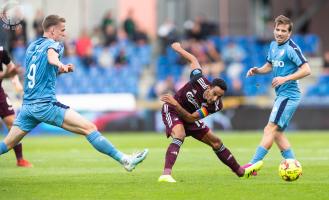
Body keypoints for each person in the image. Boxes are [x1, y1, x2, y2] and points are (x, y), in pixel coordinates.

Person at [0, 15, 148, 171]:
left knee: (7, 144)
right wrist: (60, 64)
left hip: (28, 106)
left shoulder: (32, 46)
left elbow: (42, 73)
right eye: (62, 30)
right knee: (89, 128)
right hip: (45, 106)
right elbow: (51, 56)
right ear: (52, 30)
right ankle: (125, 160)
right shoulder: (54, 45)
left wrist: (61, 70)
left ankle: (125, 159)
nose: (64, 34)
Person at [158, 42, 263, 183]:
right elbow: (194, 60)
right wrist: (179, 49)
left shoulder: (216, 105)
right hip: (172, 110)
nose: (215, 98)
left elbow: (190, 118)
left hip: (186, 114)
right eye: (214, 93)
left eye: (219, 96)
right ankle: (166, 174)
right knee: (180, 134)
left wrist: (177, 104)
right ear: (209, 86)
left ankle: (241, 171)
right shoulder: (199, 80)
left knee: (216, 142)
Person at [243, 15, 311, 173]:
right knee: (278, 133)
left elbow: (307, 70)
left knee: (270, 129)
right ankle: (293, 166)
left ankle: (253, 164)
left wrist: (284, 78)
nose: (279, 33)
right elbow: (269, 66)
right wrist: (257, 71)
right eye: (277, 29)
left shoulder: (291, 48)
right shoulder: (273, 45)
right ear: (274, 30)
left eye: (283, 31)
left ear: (289, 33)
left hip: (289, 95)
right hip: (282, 95)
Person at [0, 46, 32, 167]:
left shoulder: (2, 51)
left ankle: (20, 159)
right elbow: (8, 73)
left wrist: (16, 82)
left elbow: (11, 68)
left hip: (0, 94)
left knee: (13, 124)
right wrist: (8, 74)